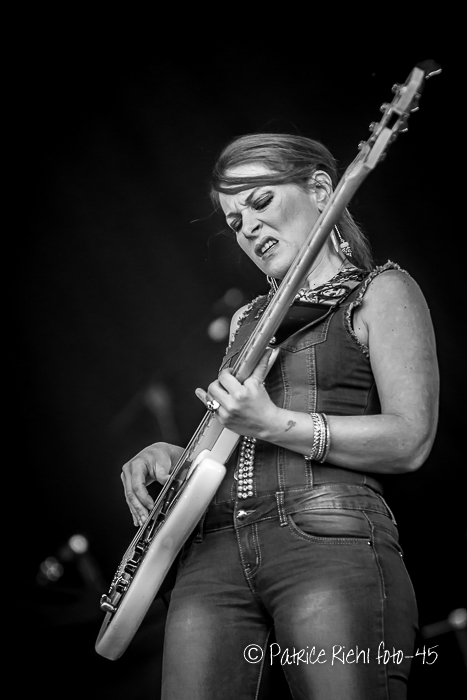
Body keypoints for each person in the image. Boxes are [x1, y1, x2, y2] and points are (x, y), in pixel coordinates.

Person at [121, 133, 439, 699]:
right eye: (235, 221)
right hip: (213, 554)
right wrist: (175, 458)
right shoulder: (246, 320)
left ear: (320, 189)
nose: (249, 228)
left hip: (326, 538)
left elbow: (410, 439)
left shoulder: (382, 291)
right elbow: (230, 442)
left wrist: (273, 424)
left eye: (261, 202)